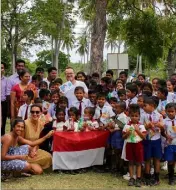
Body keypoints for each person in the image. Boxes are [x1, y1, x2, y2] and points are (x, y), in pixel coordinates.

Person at [123, 104, 146, 187]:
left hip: (138, 145)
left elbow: (144, 137)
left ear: (139, 116)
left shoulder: (141, 126)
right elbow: (123, 137)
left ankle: (138, 178)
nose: (134, 117)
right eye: (132, 116)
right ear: (129, 116)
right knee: (131, 162)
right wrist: (127, 133)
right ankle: (132, 178)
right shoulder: (127, 126)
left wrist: (137, 130)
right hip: (129, 145)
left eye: (136, 116)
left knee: (138, 162)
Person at [23, 104, 53, 170]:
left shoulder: (41, 123)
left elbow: (38, 141)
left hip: (35, 150)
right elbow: (20, 141)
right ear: (30, 113)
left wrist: (35, 150)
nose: (35, 114)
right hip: (24, 150)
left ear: (41, 113)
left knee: (49, 157)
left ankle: (30, 165)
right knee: (38, 170)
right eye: (32, 112)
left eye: (37, 112)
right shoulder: (25, 123)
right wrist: (30, 150)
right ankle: (27, 166)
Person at [142, 96, 164, 186]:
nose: (143, 107)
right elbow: (140, 127)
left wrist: (160, 125)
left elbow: (163, 128)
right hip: (147, 140)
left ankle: (156, 177)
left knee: (156, 159)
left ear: (152, 105)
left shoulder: (159, 116)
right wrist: (146, 126)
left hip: (156, 139)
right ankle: (147, 177)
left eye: (145, 105)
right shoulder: (143, 115)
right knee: (147, 159)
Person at [164, 103, 176, 185]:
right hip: (169, 144)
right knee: (170, 160)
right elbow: (162, 132)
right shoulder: (164, 121)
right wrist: (166, 135)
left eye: (172, 111)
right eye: (169, 111)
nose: (170, 113)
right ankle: (171, 177)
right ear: (166, 111)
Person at [1, 62, 8, 135]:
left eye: (2, 68)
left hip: (3, 104)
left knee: (2, 123)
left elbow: (7, 93)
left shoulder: (6, 80)